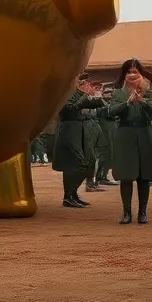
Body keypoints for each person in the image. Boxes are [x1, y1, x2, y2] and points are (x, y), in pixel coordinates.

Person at [106, 59, 152, 224]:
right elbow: (111, 112)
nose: (132, 75)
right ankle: (126, 212)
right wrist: (127, 102)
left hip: (145, 132)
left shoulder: (149, 92)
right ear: (124, 74)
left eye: (135, 72)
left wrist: (142, 101)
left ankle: (143, 212)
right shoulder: (117, 93)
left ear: (141, 74)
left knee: (144, 175)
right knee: (126, 174)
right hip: (125, 133)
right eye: (128, 72)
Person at [53, 73, 105, 208]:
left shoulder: (78, 94)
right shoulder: (66, 93)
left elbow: (89, 105)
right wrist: (84, 97)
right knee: (76, 163)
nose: (88, 86)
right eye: (86, 83)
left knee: (88, 161)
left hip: (78, 130)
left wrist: (98, 100)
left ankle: (72, 194)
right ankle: (69, 196)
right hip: (69, 130)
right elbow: (68, 109)